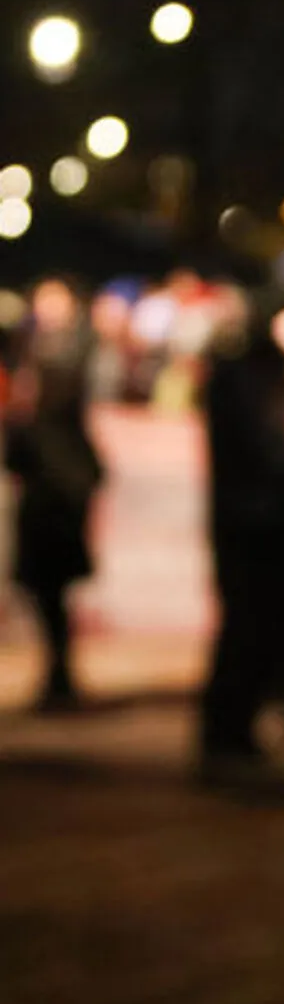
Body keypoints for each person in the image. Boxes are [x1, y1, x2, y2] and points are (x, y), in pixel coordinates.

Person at [198, 306, 284, 781]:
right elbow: (267, 456)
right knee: (247, 633)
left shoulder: (231, 386)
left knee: (243, 632)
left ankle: (230, 730)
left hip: (242, 527)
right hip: (254, 530)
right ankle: (229, 732)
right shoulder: (248, 395)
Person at [3, 279, 103, 711]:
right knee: (46, 591)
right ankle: (59, 673)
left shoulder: (58, 376)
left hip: (56, 497)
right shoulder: (39, 366)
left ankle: (60, 675)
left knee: (51, 588)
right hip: (51, 493)